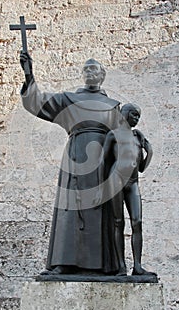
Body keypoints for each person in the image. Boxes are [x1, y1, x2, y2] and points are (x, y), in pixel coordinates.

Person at [19, 52, 135, 275]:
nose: (90, 72)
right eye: (87, 69)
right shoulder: (68, 100)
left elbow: (124, 138)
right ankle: (64, 262)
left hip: (103, 161)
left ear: (102, 76)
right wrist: (28, 74)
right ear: (83, 75)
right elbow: (37, 102)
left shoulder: (113, 107)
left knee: (102, 209)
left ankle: (105, 266)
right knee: (69, 208)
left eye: (95, 69)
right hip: (75, 158)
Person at [98, 103, 156, 276]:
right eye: (134, 115)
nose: (136, 119)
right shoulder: (113, 134)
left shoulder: (137, 136)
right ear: (125, 114)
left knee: (137, 222)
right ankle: (121, 266)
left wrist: (149, 151)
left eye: (138, 116)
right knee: (118, 223)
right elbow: (102, 161)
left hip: (133, 183)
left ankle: (137, 266)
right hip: (116, 181)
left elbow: (141, 168)